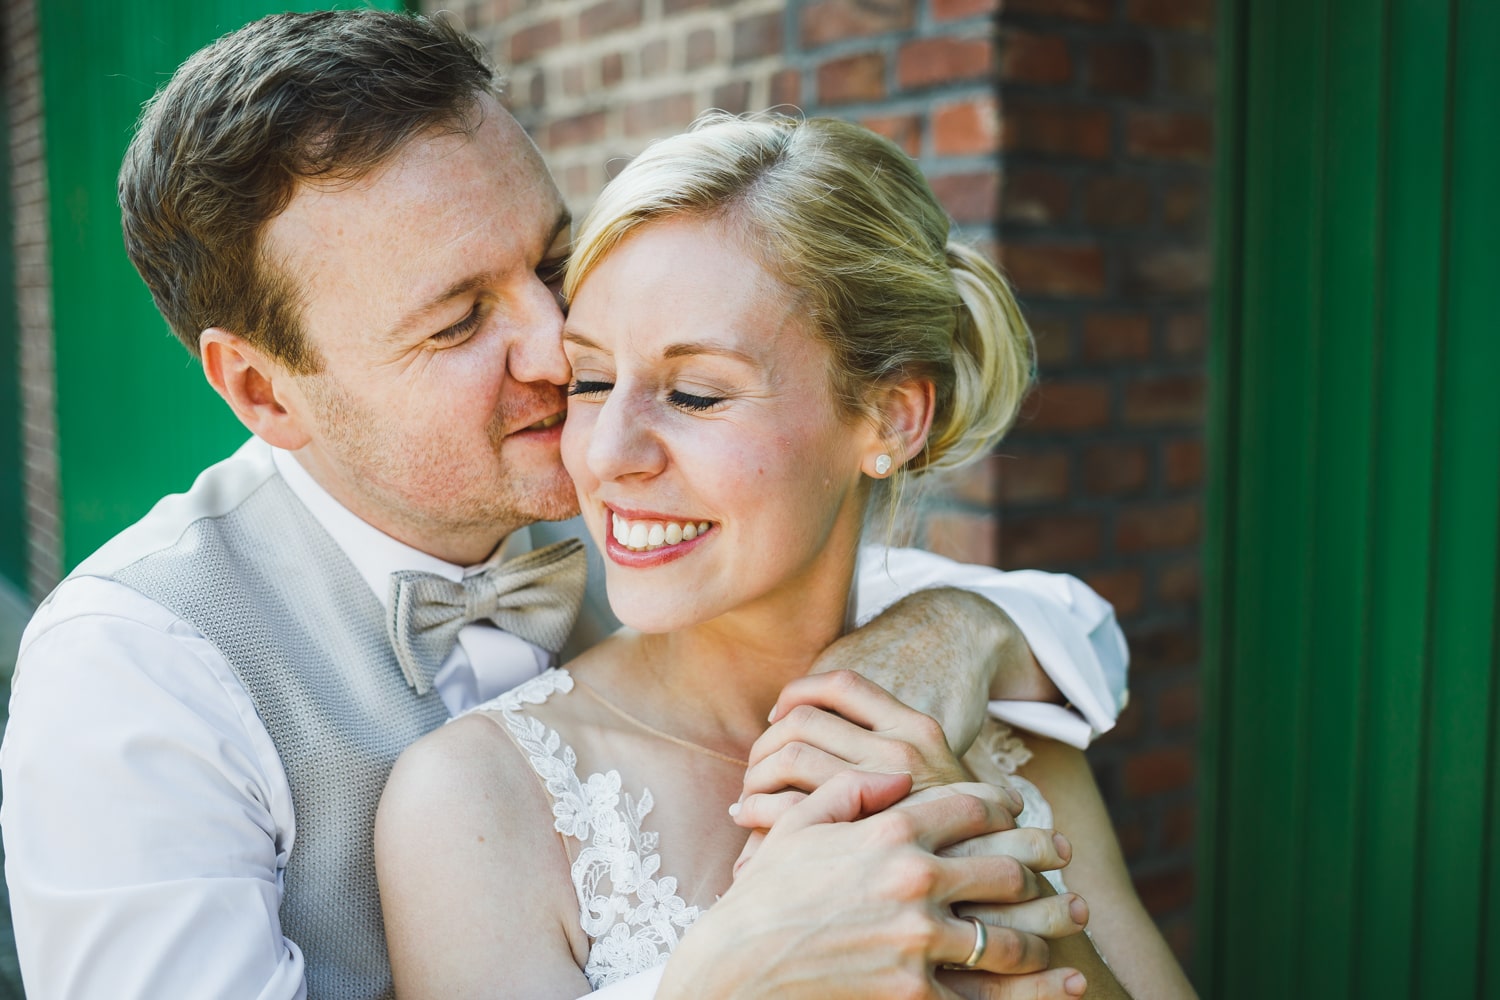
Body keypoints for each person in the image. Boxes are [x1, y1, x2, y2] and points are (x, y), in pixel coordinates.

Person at [0, 11, 1126, 1000]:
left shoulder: (630, 493)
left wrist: (950, 638)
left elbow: (1049, 620)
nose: (556, 352)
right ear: (261, 389)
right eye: (456, 323)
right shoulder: (134, 670)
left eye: (549, 259)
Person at [375, 113, 1194, 1000]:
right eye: (592, 381)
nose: (608, 455)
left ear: (889, 419)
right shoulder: (478, 799)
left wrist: (999, 907)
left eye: (694, 393)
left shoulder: (1001, 746)